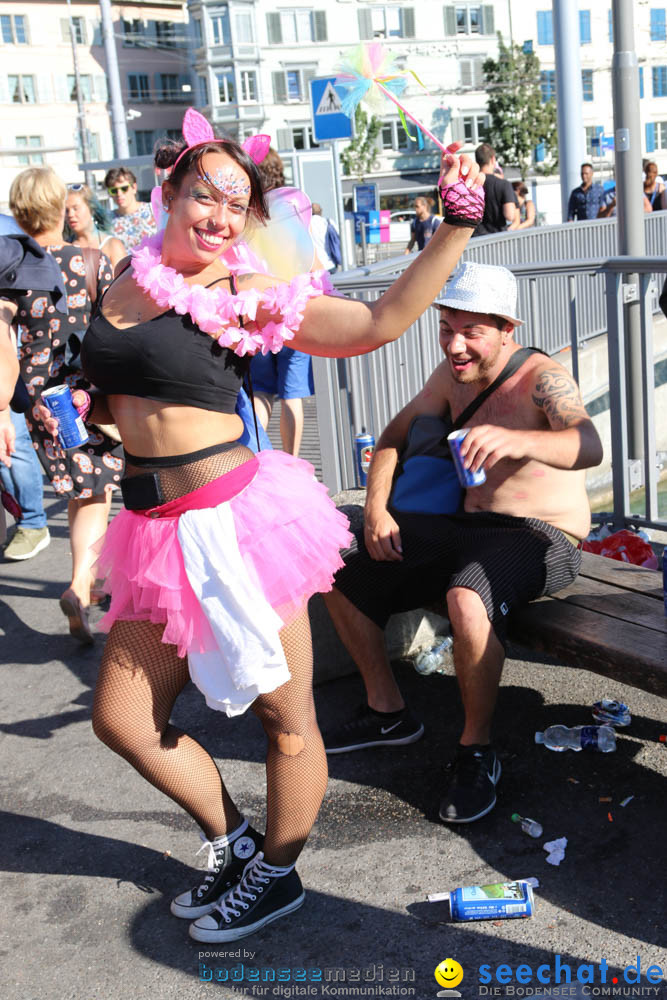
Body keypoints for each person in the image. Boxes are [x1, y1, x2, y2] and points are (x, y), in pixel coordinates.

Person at [39, 108, 484, 944]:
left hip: (238, 527)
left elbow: (377, 323)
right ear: (168, 192)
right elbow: (114, 385)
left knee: (286, 722)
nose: (218, 215)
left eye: (236, 205)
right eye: (204, 194)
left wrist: (454, 227)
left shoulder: (241, 294)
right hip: (152, 528)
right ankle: (234, 841)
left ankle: (276, 873)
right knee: (123, 721)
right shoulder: (121, 277)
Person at [322, 261, 603, 825]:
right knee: (339, 566)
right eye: (447, 327)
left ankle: (476, 750)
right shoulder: (450, 375)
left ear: (507, 329)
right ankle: (388, 711)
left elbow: (589, 444)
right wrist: (376, 511)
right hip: (466, 526)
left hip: (541, 535)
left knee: (466, 597)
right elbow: (391, 439)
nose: (455, 344)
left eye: (471, 331)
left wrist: (514, 439)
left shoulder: (545, 378)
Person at [8, 167, 120, 642]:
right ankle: (80, 584)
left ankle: (85, 582)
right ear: (60, 207)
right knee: (96, 487)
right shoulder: (90, 260)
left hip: (38, 396)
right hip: (85, 392)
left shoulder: (13, 269)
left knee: (82, 486)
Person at [249, 147, 315, 457]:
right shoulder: (292, 207)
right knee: (292, 392)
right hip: (294, 305)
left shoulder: (249, 213)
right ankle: (292, 460)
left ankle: (261, 457)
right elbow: (309, 256)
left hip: (259, 308)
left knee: (261, 391)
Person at [65, 184, 126, 270]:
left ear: (91, 209)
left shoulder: (112, 245)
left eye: (75, 208)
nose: (70, 215)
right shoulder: (65, 247)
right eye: (66, 210)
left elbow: (123, 281)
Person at [103, 167, 157, 250]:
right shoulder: (107, 220)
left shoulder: (153, 210)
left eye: (124, 188)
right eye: (114, 191)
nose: (119, 194)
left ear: (134, 188)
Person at [472, 144, 518, 236]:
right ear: (493, 159)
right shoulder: (504, 184)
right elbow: (510, 215)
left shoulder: (471, 185)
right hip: (497, 239)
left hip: (475, 239)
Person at [310, 203, 338, 272]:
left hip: (315, 266)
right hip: (330, 263)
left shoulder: (307, 224)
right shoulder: (328, 222)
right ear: (321, 211)